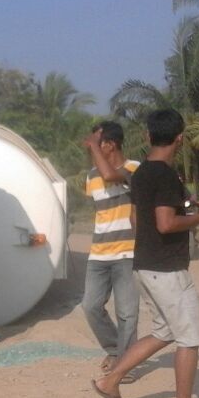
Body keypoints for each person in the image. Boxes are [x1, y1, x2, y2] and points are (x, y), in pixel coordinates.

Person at [91, 109, 199, 398]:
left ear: (149, 136)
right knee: (189, 338)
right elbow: (165, 223)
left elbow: (138, 220)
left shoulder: (140, 173)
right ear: (180, 138)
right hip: (167, 270)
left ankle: (111, 382)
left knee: (164, 332)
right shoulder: (166, 175)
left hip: (143, 265)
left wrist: (184, 211)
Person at [82, 121, 142, 383]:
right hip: (98, 254)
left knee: (127, 313)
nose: (92, 149)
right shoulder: (90, 176)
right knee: (90, 306)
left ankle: (125, 365)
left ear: (111, 144)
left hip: (127, 253)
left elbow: (111, 176)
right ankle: (115, 350)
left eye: (97, 143)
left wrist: (92, 144)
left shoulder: (135, 169)